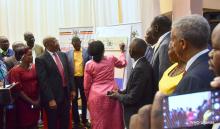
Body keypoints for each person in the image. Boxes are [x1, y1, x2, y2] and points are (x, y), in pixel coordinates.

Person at [109, 38, 156, 128]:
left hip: (136, 113)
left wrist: (117, 96)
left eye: (129, 48)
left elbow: (132, 97)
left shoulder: (140, 69)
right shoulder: (141, 64)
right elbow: (132, 89)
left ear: (131, 51)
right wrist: (119, 92)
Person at [84, 40, 126, 129]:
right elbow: (123, 63)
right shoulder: (111, 58)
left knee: (98, 120)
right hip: (112, 93)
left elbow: (86, 86)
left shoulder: (89, 64)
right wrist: (122, 52)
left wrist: (88, 98)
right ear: (103, 50)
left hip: (95, 96)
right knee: (114, 119)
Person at [35, 37, 75, 129]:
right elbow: (43, 81)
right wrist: (50, 99)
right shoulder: (41, 59)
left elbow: (69, 73)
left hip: (65, 94)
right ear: (47, 45)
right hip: (53, 97)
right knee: (52, 122)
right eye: (54, 42)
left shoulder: (62, 55)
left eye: (57, 41)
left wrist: (72, 89)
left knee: (65, 120)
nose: (57, 43)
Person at [8, 46, 40, 129]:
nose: (31, 57)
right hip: (23, 103)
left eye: (31, 55)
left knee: (35, 124)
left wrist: (38, 100)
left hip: (37, 100)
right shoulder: (15, 71)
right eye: (29, 55)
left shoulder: (34, 67)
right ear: (22, 56)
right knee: (26, 124)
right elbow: (18, 90)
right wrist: (32, 102)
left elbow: (40, 84)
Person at [66, 36, 90, 128]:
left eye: (78, 44)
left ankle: (84, 120)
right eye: (74, 44)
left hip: (84, 79)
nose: (76, 46)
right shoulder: (68, 54)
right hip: (73, 80)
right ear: (72, 44)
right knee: (74, 100)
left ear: (80, 42)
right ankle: (76, 122)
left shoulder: (86, 52)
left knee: (84, 99)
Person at [145, 15, 172, 84]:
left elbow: (163, 76)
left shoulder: (165, 45)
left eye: (150, 27)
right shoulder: (167, 40)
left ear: (156, 28)